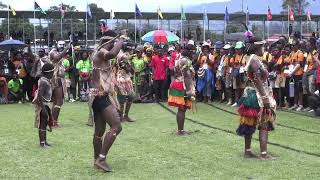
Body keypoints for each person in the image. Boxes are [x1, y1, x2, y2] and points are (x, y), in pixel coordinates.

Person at [90, 30, 125, 172]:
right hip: (101, 96)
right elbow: (112, 54)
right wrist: (121, 39)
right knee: (117, 126)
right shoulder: (101, 52)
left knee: (99, 131)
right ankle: (101, 158)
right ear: (108, 41)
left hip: (98, 96)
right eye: (113, 43)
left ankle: (96, 159)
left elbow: (117, 57)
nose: (113, 45)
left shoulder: (99, 52)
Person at [236, 37, 277, 160]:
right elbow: (257, 80)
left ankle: (248, 151)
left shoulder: (249, 58)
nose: (263, 50)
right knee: (264, 124)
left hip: (250, 93)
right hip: (257, 95)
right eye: (262, 47)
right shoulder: (254, 60)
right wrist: (265, 97)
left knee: (249, 124)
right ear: (257, 47)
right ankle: (264, 154)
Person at [168, 43, 196, 136]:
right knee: (182, 109)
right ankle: (180, 131)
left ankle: (181, 130)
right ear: (190, 52)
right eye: (193, 52)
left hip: (178, 83)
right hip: (183, 85)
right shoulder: (186, 61)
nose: (194, 54)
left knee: (181, 109)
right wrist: (189, 91)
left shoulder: (180, 59)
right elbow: (187, 76)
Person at [49, 40, 71, 128]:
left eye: (63, 45)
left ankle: (52, 121)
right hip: (55, 79)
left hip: (59, 79)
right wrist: (67, 48)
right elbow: (57, 57)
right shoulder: (53, 52)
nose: (62, 46)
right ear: (56, 45)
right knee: (59, 102)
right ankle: (53, 122)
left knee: (56, 102)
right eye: (60, 45)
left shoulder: (59, 53)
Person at [32, 63, 55, 148]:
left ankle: (45, 141)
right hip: (43, 106)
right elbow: (40, 96)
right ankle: (42, 143)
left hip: (46, 105)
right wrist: (43, 108)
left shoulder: (45, 80)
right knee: (42, 124)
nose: (53, 74)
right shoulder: (43, 81)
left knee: (44, 124)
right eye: (52, 72)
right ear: (48, 73)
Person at [116, 45, 135, 123]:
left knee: (131, 96)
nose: (131, 50)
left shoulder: (127, 57)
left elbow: (132, 71)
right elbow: (127, 69)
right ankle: (120, 117)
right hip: (120, 80)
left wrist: (129, 64)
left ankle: (126, 115)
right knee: (122, 100)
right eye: (130, 48)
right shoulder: (121, 56)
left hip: (127, 80)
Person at [288, 41, 304, 111]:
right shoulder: (292, 53)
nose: (292, 46)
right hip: (293, 74)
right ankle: (295, 104)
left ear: (297, 46)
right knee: (294, 89)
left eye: (294, 45)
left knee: (300, 89)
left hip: (299, 74)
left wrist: (292, 72)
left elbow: (299, 64)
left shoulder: (300, 53)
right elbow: (290, 62)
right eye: (292, 45)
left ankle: (301, 104)